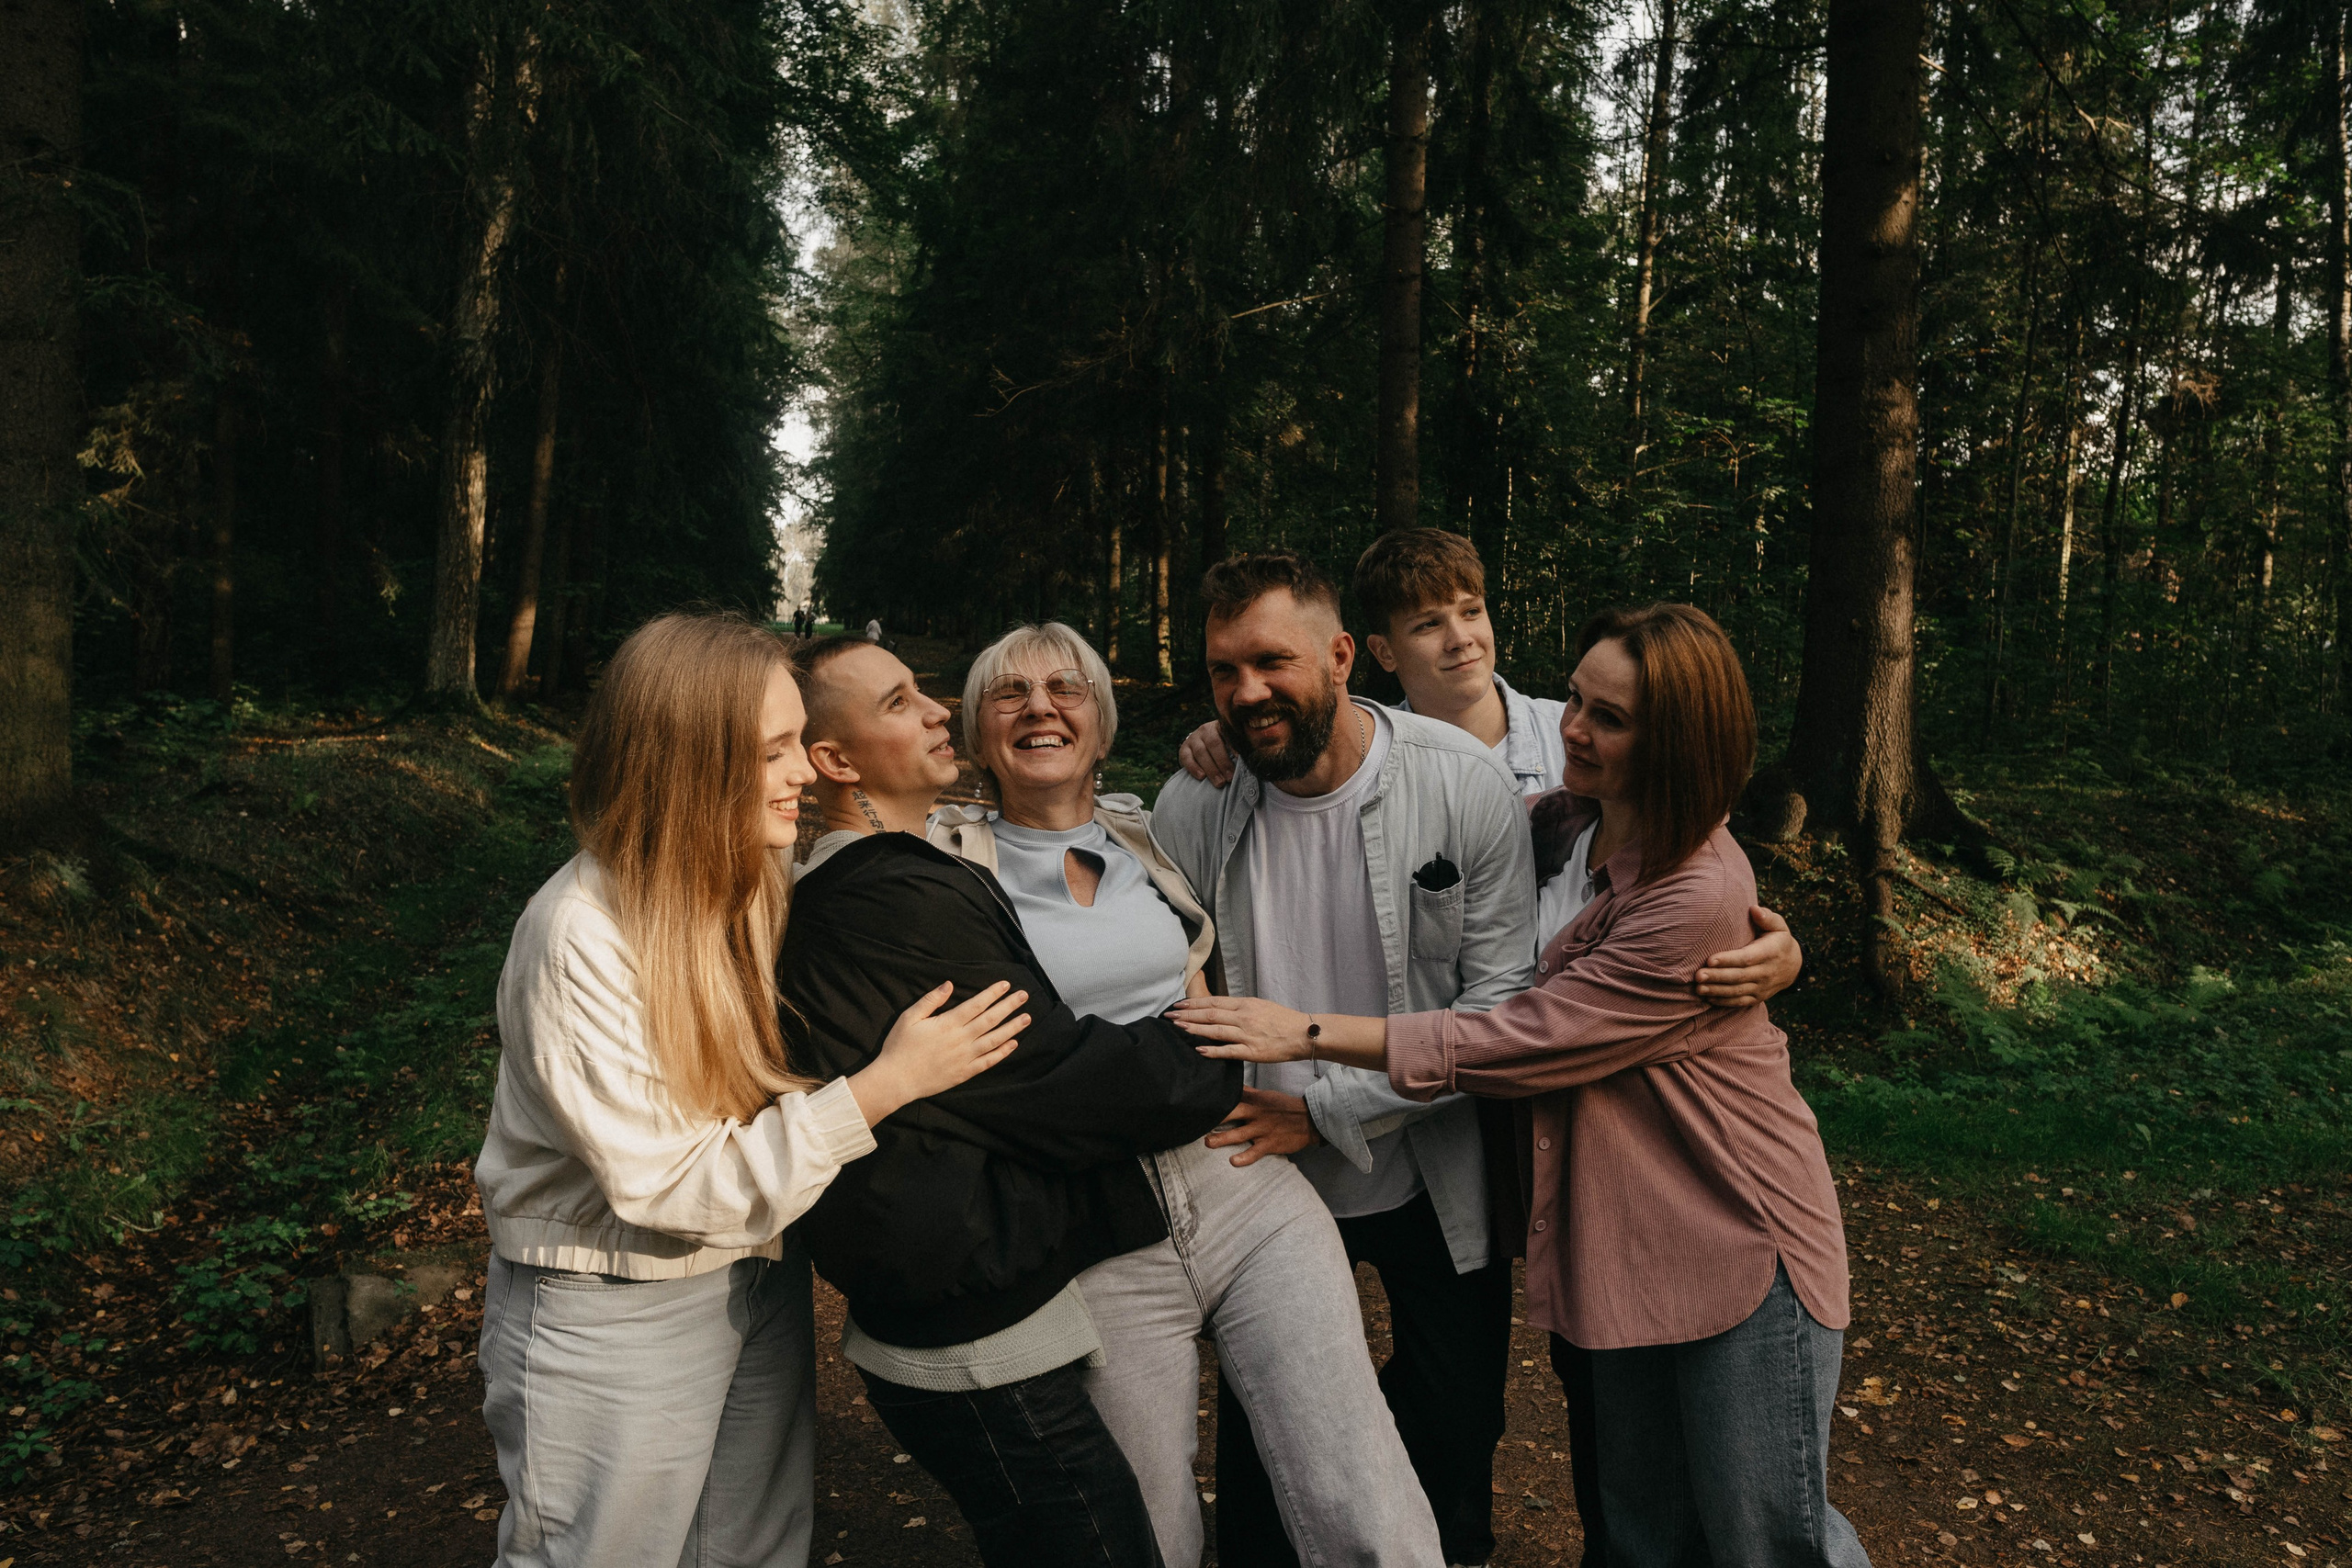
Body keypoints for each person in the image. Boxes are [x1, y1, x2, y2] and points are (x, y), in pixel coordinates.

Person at [1172, 604, 1869, 1568]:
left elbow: (1524, 1036)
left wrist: (1308, 1035)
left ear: (1678, 742)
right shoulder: (1554, 823)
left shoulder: (1696, 892)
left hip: (1734, 1236)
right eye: (1576, 700)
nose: (1572, 728)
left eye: (1610, 719)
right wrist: (1239, 725)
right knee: (1638, 1533)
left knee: (1767, 1536)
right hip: (1615, 1239)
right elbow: (1374, 748)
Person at [472, 612, 1032, 1568]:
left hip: (754, 1277)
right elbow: (670, 1188)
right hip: (613, 1305)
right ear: (688, 761)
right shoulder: (578, 937)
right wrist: (883, 1088)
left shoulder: (749, 873)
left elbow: (927, 833)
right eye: (773, 751)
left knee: (755, 1549)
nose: (805, 772)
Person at [931, 621, 1442, 1568]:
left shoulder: (1157, 824)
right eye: (1009, 692)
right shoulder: (939, 864)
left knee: (1358, 1487)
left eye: (1065, 688)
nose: (1039, 707)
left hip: (1240, 1185)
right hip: (1091, 1226)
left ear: (1103, 719)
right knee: (1147, 1521)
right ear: (972, 728)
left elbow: (1322, 754)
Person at [776, 636, 1251, 1568]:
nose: (934, 712)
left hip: (979, 1298)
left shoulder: (902, 870)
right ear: (833, 761)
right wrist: (1224, 1040)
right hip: (968, 1331)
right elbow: (1064, 1081)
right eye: (900, 702)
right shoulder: (884, 897)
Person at [1148, 552, 1536, 1568]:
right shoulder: (1192, 806)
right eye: (1223, 672)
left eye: (1271, 662)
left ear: (1339, 656)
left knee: (1454, 1433)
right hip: (1259, 1177)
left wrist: (1330, 1107)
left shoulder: (1462, 785)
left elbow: (1499, 1007)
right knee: (1269, 1440)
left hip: (1432, 1162)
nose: (1246, 693)